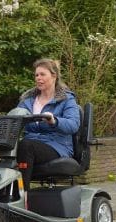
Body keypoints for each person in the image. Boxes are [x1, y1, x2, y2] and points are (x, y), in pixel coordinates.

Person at [16, 58, 80, 192]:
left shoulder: (66, 99)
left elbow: (73, 124)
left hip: (57, 146)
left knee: (26, 146)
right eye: (36, 75)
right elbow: (15, 119)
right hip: (31, 145)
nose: (38, 78)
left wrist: (54, 121)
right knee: (7, 155)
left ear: (54, 76)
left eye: (42, 74)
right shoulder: (27, 101)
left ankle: (23, 197)